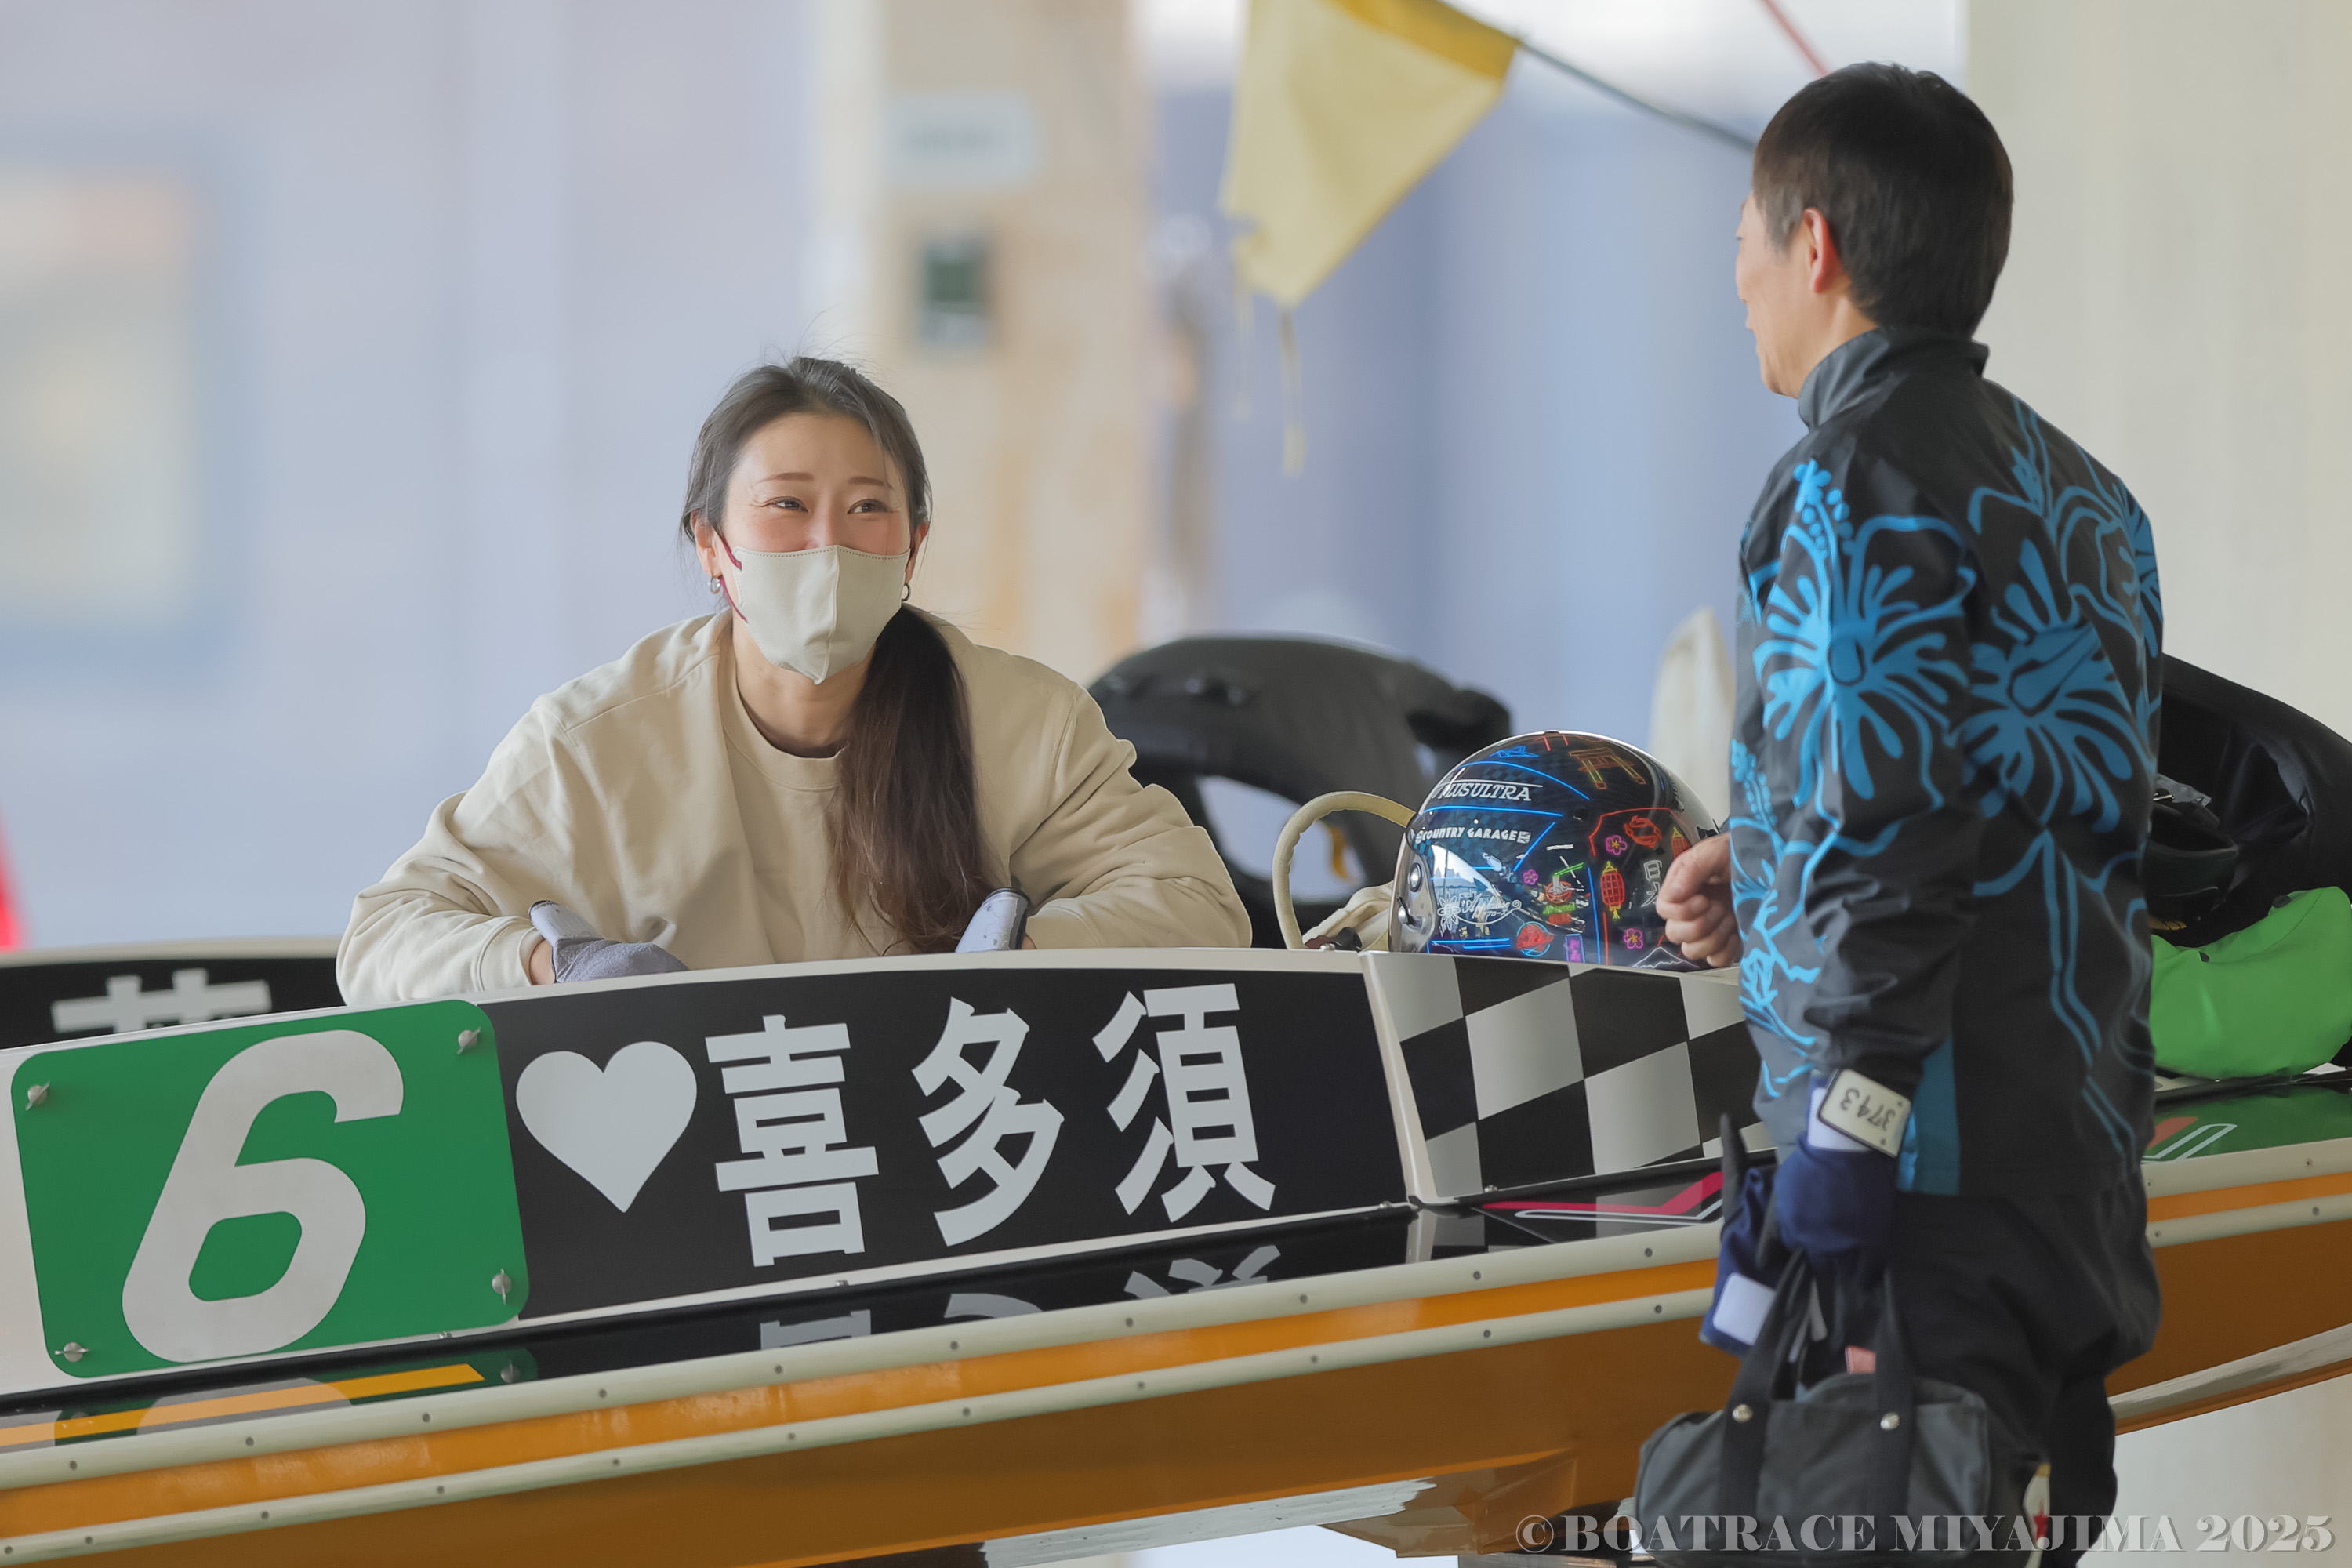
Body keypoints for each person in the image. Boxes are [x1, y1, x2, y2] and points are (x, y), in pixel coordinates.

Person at [1655, 64, 2161, 1561]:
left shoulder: (1845, 478)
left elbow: (1890, 832)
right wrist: (1764, 855)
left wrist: (1850, 1131)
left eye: (1743, 238)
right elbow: (2031, 796)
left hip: (1918, 1178)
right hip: (2073, 1158)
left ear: (1812, 245)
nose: (1735, 278)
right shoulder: (2090, 495)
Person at [339, 358, 1249, 1003]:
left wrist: (1019, 952)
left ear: (913, 548)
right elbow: (385, 937)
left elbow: (1199, 906)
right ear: (711, 544)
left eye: (868, 507)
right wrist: (552, 969)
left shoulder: (1022, 721)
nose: (828, 545)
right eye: (786, 504)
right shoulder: (597, 743)